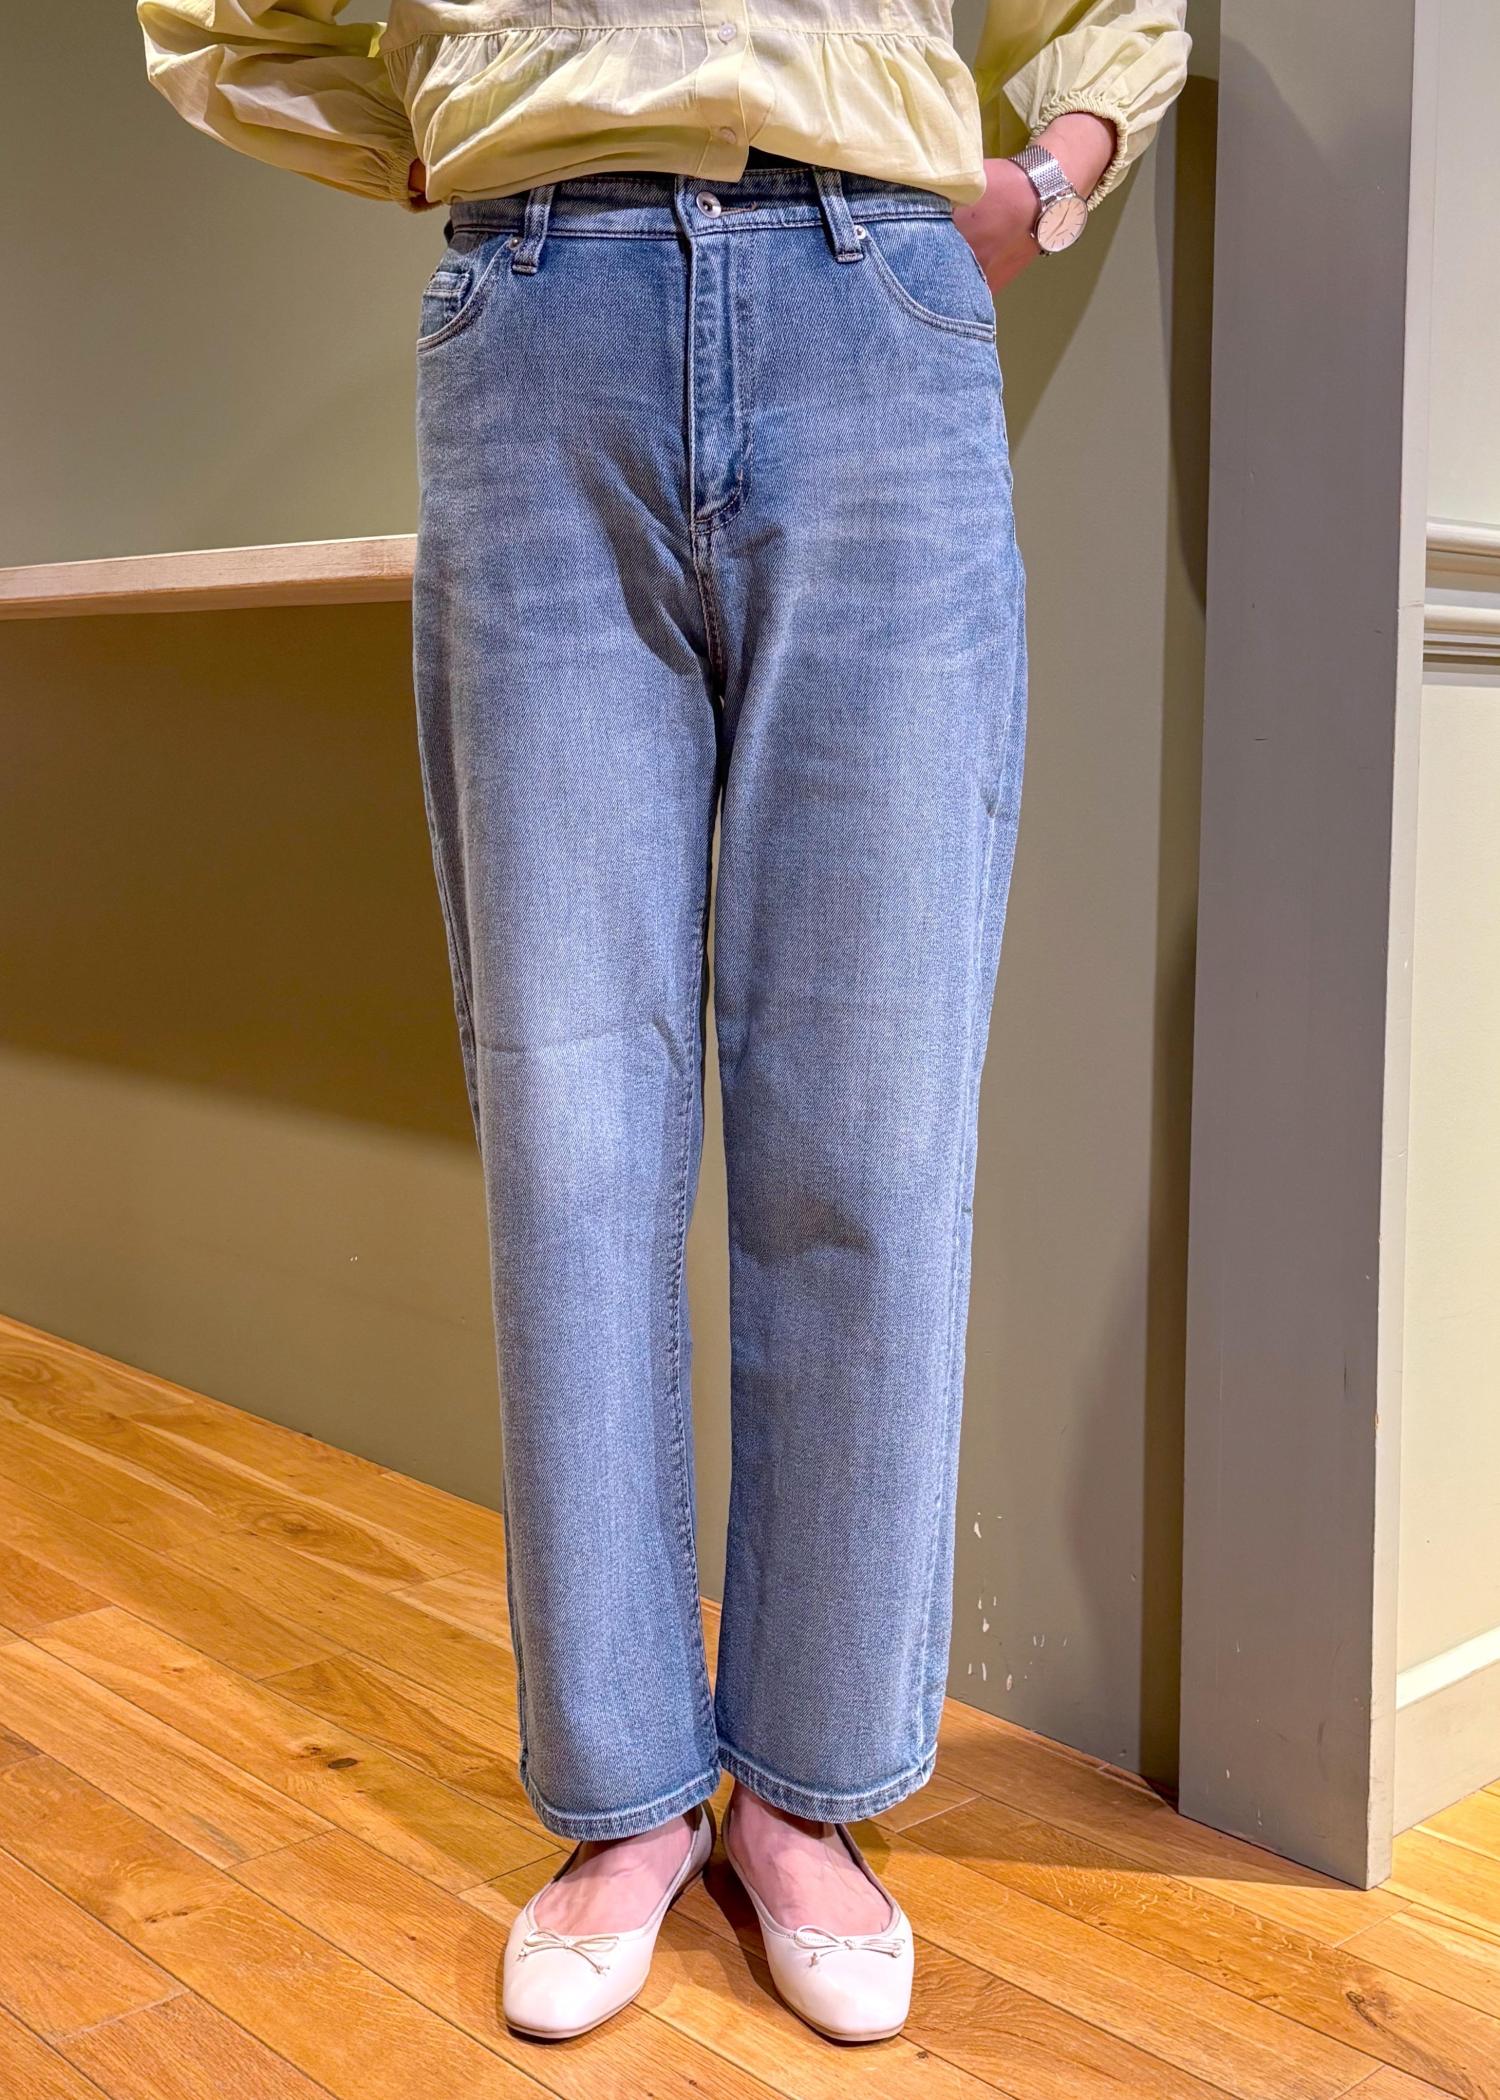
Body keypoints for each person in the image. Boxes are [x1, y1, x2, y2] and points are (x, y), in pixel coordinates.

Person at [136, 0, 1191, 2046]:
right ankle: (623, 1794)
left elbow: (1113, 20)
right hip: (542, 319)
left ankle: (807, 1790)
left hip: (879, 317)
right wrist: (430, 127)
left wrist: (1050, 179)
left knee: (871, 1120)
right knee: (574, 1123)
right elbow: (208, 21)